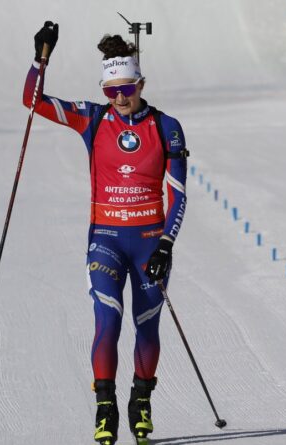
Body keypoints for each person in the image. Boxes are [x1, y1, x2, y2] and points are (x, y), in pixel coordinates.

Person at [23, 22, 189, 445]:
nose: (120, 98)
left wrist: (166, 245)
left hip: (150, 241)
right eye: (111, 91)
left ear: (141, 83)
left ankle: (141, 402)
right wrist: (41, 58)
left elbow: (179, 193)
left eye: (127, 89)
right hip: (106, 240)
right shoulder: (93, 119)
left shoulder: (166, 126)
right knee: (107, 322)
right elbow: (32, 100)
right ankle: (105, 408)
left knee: (147, 326)